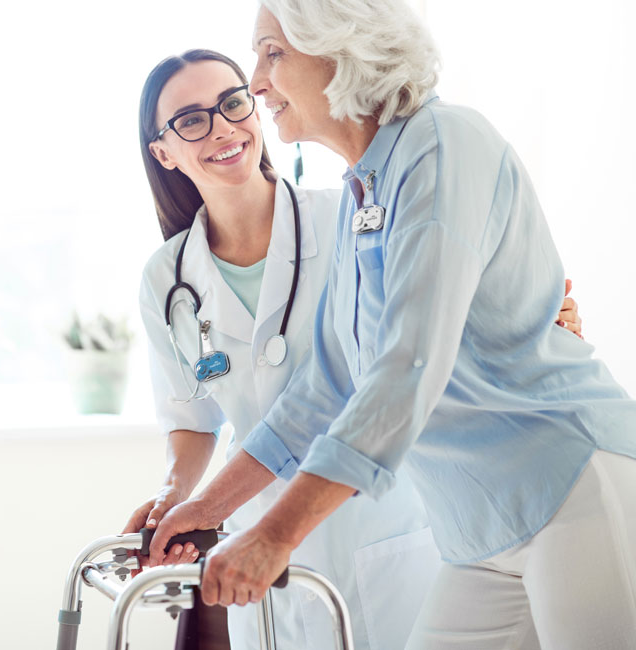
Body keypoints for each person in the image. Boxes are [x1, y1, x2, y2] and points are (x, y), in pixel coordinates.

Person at [147, 2, 636, 649]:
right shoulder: (363, 193)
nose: (258, 84)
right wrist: (209, 508)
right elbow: (323, 388)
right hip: (477, 526)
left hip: (569, 485)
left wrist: (275, 534)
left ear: (340, 45)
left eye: (272, 53)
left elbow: (406, 368)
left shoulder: (444, 144)